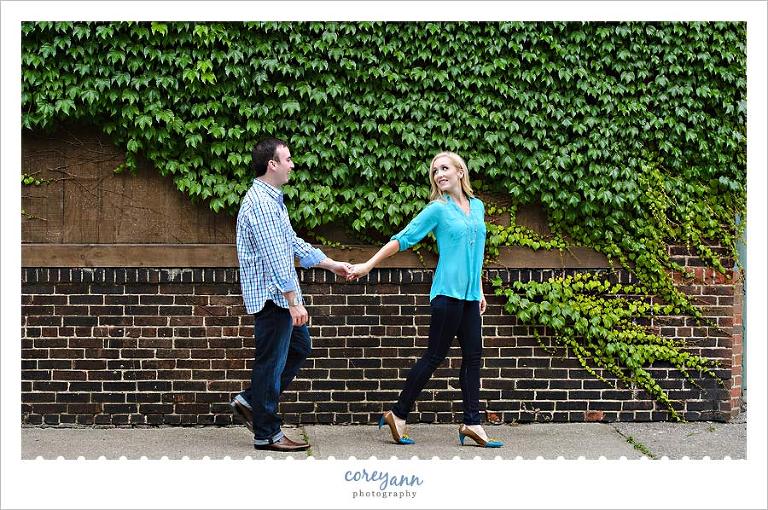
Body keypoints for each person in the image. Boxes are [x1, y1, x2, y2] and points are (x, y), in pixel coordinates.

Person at [348, 151, 503, 448]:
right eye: (434, 171)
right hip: (446, 295)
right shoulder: (437, 209)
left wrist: (480, 289)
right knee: (434, 356)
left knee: (473, 358)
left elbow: (476, 253)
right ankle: (399, 413)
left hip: (470, 298)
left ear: (460, 171)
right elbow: (404, 237)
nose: (439, 174)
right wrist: (368, 264)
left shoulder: (478, 207)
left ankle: (472, 423)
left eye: (444, 168)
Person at [231, 137, 352, 452]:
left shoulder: (273, 200)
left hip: (279, 296)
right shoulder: (260, 202)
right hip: (273, 298)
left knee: (299, 347)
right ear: (272, 164)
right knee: (270, 363)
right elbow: (274, 255)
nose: (292, 164)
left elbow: (291, 243)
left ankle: (250, 401)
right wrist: (292, 301)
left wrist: (330, 264)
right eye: (287, 159)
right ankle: (267, 433)